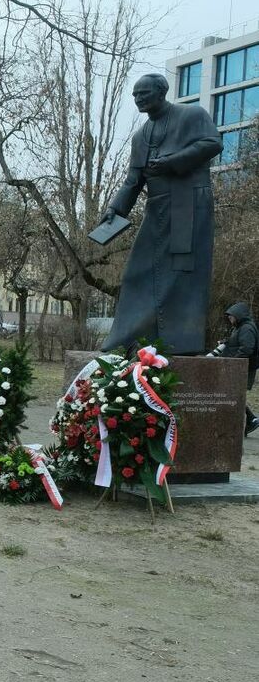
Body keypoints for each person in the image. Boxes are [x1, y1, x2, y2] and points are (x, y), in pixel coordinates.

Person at [100, 73, 224, 355]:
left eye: (144, 93)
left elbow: (212, 143)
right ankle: (130, 342)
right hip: (157, 208)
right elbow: (133, 180)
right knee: (137, 273)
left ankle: (179, 344)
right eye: (135, 95)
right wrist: (114, 209)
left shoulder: (191, 114)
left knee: (182, 272)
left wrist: (171, 162)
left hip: (188, 204)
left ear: (161, 92)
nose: (139, 99)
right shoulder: (141, 136)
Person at [210, 301, 259, 435]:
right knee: (233, 394)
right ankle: (251, 420)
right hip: (238, 367)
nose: (230, 319)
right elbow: (238, 343)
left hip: (242, 368)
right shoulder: (240, 327)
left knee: (233, 395)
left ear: (238, 315)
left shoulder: (247, 328)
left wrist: (232, 362)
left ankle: (251, 419)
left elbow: (246, 349)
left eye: (231, 316)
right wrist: (226, 342)